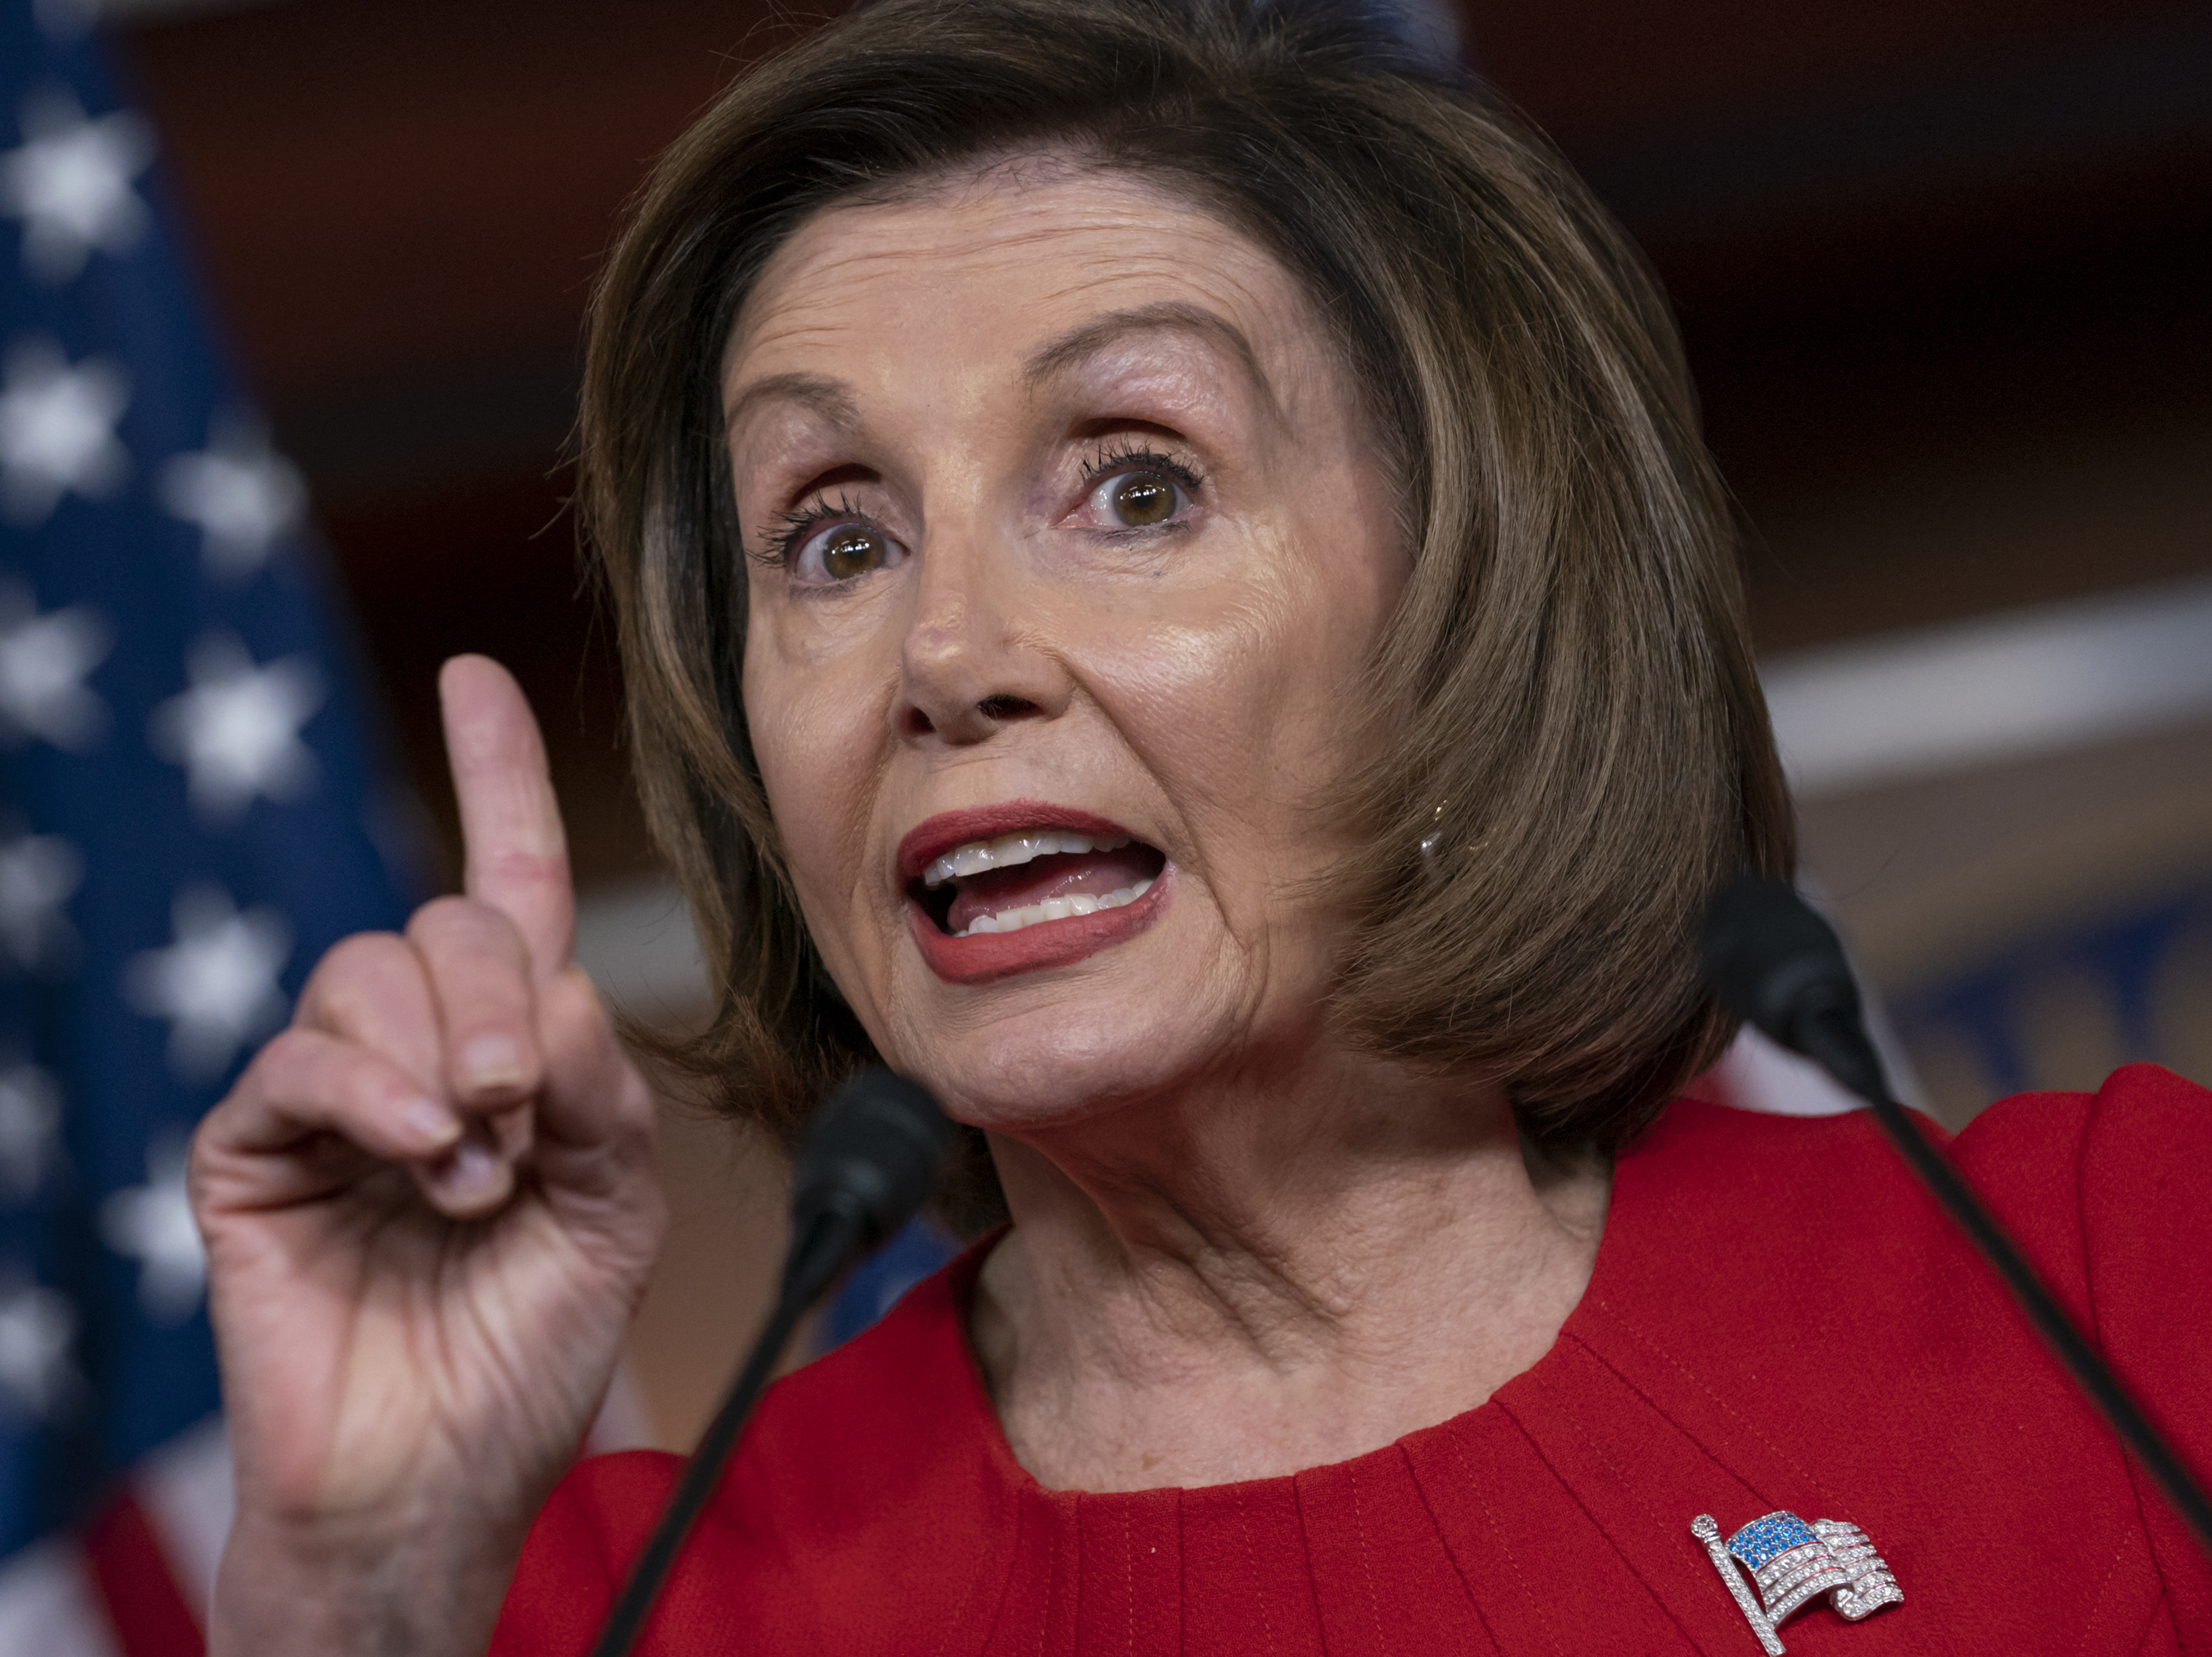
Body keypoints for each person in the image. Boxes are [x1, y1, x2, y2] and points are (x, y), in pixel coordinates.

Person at [189, 1, 2212, 1653]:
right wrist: (363, 1585)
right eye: (833, 536)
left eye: (1136, 484)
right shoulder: (626, 1610)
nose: (945, 648)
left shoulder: (2123, 1292)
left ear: (1467, 609)